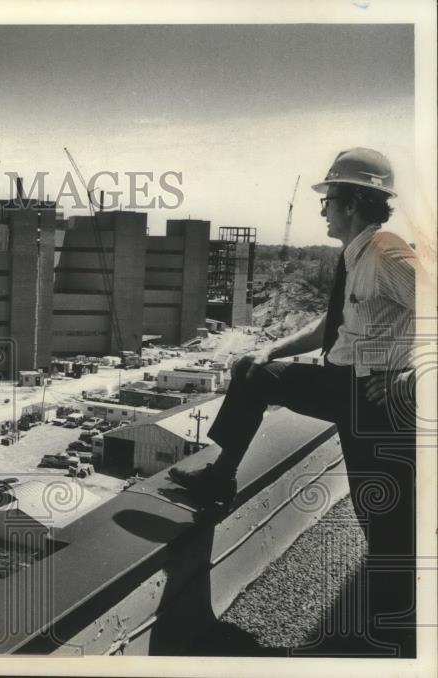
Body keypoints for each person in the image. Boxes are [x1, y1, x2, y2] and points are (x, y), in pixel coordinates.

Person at [168, 147, 417, 655]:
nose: (322, 210)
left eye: (328, 200)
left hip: (375, 401)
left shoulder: (388, 252)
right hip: (343, 384)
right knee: (254, 373)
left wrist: (410, 374)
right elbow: (334, 326)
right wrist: (275, 349)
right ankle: (221, 477)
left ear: (350, 203)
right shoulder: (357, 255)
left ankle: (395, 636)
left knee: (385, 521)